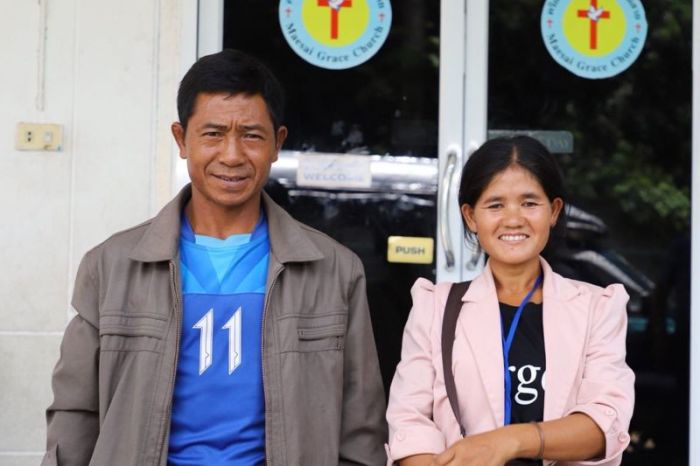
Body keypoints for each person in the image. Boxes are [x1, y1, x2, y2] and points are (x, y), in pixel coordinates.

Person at [42, 49, 387, 466]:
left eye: (252, 135)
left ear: (277, 143)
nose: (232, 155)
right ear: (181, 139)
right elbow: (77, 411)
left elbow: (360, 424)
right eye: (213, 134)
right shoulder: (111, 266)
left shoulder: (334, 270)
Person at [385, 136, 634, 466]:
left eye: (530, 203)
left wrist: (507, 441)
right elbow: (410, 423)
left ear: (554, 211)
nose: (513, 219)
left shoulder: (597, 308)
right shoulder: (435, 307)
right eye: (495, 205)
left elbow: (605, 424)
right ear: (471, 217)